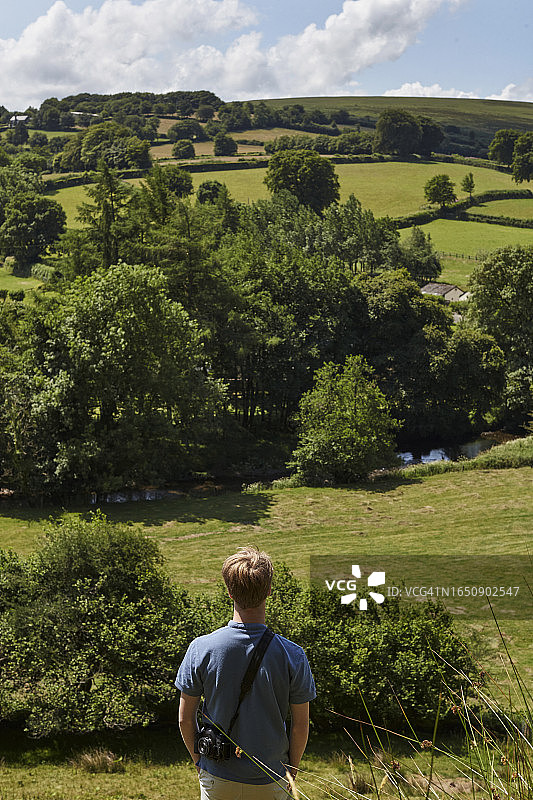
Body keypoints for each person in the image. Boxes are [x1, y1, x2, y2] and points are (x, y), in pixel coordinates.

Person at [175, 546, 316, 799]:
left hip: (217, 775)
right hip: (271, 777)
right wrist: (291, 771)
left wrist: (199, 761)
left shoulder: (201, 648)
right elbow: (300, 726)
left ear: (229, 592)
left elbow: (185, 719)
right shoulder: (292, 655)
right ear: (269, 592)